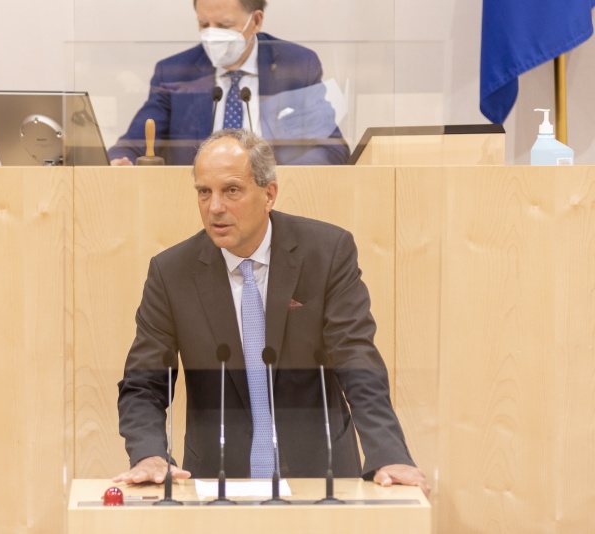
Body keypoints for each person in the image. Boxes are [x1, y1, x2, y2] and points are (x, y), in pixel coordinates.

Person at [114, 128, 428, 496]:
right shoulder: (172, 273)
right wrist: (149, 453)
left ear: (269, 194)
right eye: (204, 192)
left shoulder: (326, 253)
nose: (215, 207)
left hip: (320, 478)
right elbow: (144, 383)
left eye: (231, 190)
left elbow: (357, 359)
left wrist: (388, 453)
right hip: (218, 484)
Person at [108, 0, 349, 167]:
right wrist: (120, 162)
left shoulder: (296, 64)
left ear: (256, 21)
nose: (211, 35)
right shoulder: (174, 72)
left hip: (275, 202)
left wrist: (282, 180)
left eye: (224, 26)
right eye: (204, 25)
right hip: (193, 204)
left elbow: (330, 148)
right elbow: (133, 144)